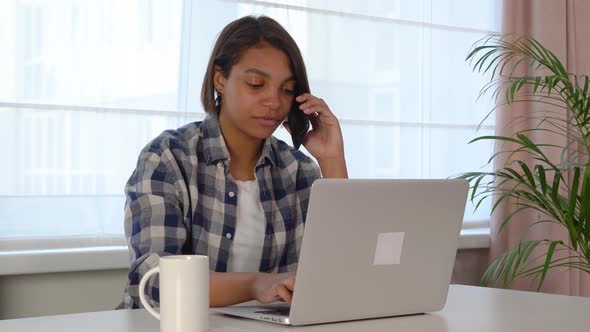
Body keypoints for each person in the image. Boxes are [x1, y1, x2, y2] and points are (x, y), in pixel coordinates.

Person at [117, 15, 347, 309]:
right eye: (256, 84)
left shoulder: (299, 170)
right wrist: (256, 284)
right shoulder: (168, 158)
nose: (274, 102)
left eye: (286, 90)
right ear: (220, 80)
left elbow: (339, 276)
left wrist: (332, 159)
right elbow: (155, 282)